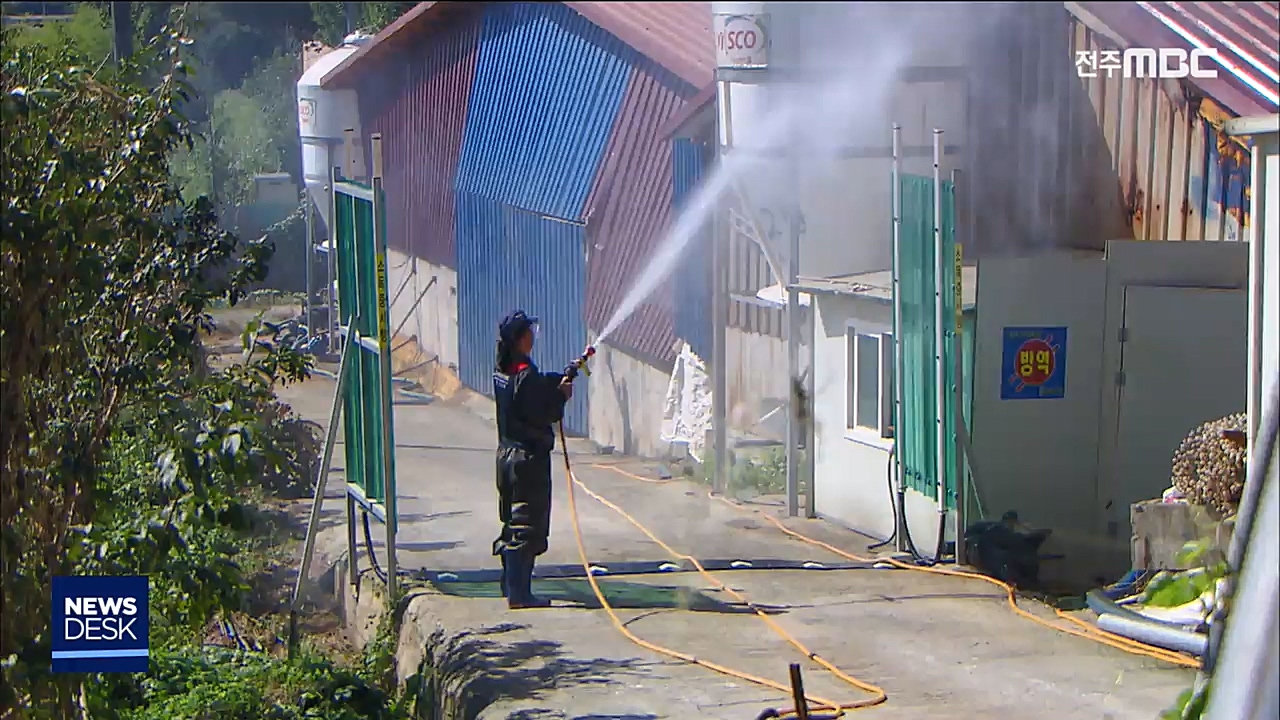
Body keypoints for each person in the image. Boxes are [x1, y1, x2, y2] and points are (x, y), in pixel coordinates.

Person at [492, 310, 573, 609]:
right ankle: (520, 595)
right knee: (527, 525)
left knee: (511, 522)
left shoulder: (505, 369)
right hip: (527, 461)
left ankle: (509, 585)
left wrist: (557, 380)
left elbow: (530, 390)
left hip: (506, 458)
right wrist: (561, 396)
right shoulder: (525, 374)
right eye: (529, 331)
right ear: (520, 338)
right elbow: (543, 411)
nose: (533, 336)